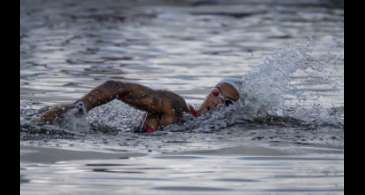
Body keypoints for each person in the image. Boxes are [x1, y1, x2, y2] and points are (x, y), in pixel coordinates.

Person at [33, 79, 241, 133]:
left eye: (228, 103)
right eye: (216, 93)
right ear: (210, 91)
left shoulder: (205, 128)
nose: (218, 103)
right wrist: (80, 108)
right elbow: (117, 86)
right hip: (60, 123)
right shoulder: (174, 106)